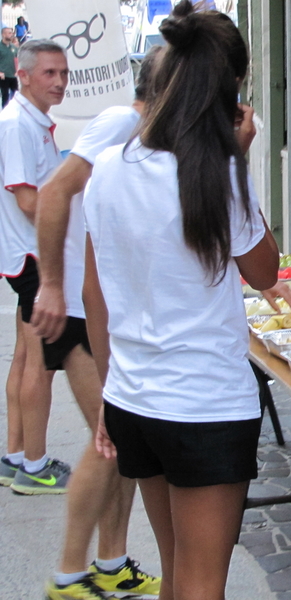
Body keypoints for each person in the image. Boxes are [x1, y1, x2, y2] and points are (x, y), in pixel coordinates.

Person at [83, 2, 281, 598]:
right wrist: (240, 160)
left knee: (178, 576)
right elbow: (265, 271)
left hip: (134, 400)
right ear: (233, 88)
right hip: (206, 408)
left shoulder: (107, 171)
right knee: (200, 584)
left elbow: (96, 298)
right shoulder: (220, 174)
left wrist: (107, 392)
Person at [32, 47, 164, 600]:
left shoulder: (147, 135)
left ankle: (110, 562)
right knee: (105, 441)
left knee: (122, 443)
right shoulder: (121, 122)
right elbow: (54, 192)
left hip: (103, 309)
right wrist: (52, 285)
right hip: (78, 312)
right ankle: (68, 573)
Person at [0, 39, 71, 495]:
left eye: (63, 73)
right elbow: (28, 200)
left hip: (28, 254)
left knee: (27, 357)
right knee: (40, 365)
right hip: (32, 257)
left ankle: (14, 457)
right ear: (22, 74)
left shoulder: (28, 120)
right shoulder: (16, 125)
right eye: (49, 73)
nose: (60, 82)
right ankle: (35, 465)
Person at [0, 26, 19, 107]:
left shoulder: (14, 47)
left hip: (13, 75)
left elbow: (18, 59)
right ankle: (4, 114)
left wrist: (17, 70)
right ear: (3, 35)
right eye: (9, 33)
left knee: (16, 95)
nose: (11, 35)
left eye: (11, 33)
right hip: (3, 76)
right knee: (5, 96)